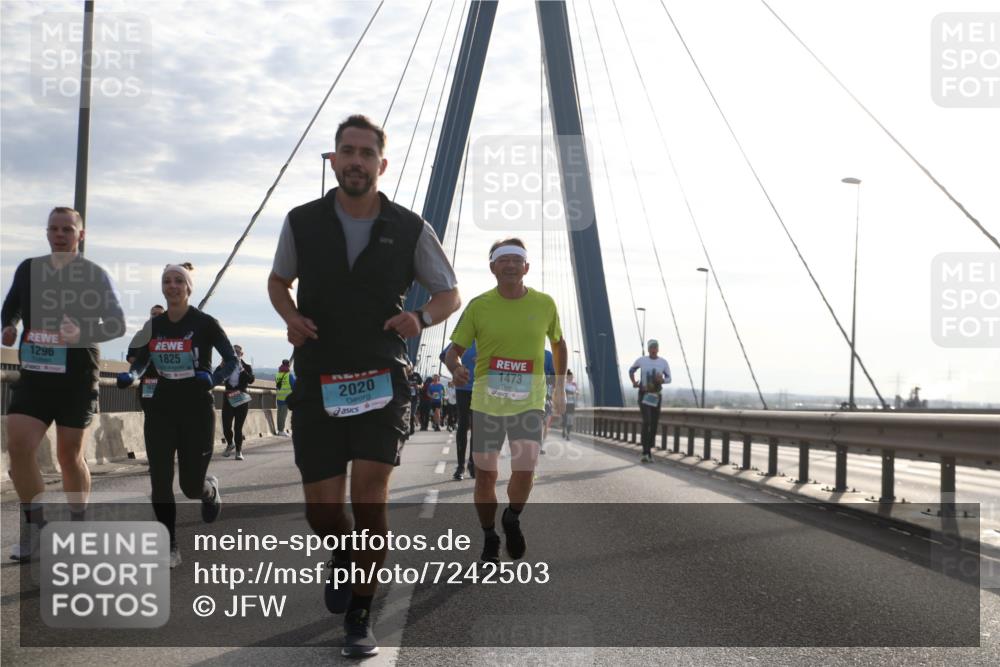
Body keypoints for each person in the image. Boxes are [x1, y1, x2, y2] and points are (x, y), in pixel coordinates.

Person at [266, 114, 460, 657]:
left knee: (370, 499)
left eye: (365, 153)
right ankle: (344, 557)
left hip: (380, 380)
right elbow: (278, 281)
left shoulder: (410, 226)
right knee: (323, 513)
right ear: (334, 159)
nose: (354, 161)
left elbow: (449, 293)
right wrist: (289, 316)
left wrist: (420, 319)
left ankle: (360, 612)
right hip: (318, 379)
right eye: (345, 152)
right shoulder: (301, 221)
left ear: (382, 163)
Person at [1, 207, 126, 561]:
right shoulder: (29, 268)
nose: (59, 234)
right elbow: (10, 307)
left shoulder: (93, 274)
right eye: (54, 228)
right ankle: (35, 528)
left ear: (80, 235)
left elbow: (115, 324)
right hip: (36, 376)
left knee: (68, 457)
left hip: (76, 379)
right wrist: (8, 326)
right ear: (47, 233)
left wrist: (82, 333)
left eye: (67, 229)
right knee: (20, 448)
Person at [445, 237, 565, 565]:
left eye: (517, 260)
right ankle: (489, 536)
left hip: (529, 403)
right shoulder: (479, 306)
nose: (510, 265)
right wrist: (456, 369)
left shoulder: (545, 304)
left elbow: (558, 344)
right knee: (485, 475)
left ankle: (511, 517)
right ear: (493, 267)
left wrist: (559, 389)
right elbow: (451, 351)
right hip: (487, 404)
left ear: (526, 267)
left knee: (525, 470)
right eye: (503, 260)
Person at [116, 263, 235, 567]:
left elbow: (231, 360)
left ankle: (209, 491)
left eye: (178, 281)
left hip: (196, 409)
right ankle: (169, 545)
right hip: (161, 410)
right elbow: (142, 360)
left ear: (188, 287)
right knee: (160, 480)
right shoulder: (155, 325)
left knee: (190, 486)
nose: (172, 286)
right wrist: (132, 374)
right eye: (167, 281)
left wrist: (214, 377)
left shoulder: (206, 323)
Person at [628, 339, 672, 463]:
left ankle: (649, 451)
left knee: (654, 424)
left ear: (658, 349)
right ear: (648, 349)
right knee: (646, 421)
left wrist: (662, 380)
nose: (653, 349)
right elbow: (631, 370)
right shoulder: (641, 360)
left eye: (655, 347)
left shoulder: (663, 362)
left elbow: (669, 378)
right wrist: (634, 382)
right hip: (644, 394)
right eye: (651, 347)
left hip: (656, 395)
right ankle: (644, 452)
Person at [440, 341, 476, 480]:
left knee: (476, 427)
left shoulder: (490, 334)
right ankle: (460, 466)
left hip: (482, 387)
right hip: (463, 388)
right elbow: (444, 355)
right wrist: (457, 368)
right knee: (463, 425)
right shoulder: (465, 335)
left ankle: (472, 464)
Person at [127, 304, 166, 414]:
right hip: (149, 380)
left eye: (160, 314)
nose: (157, 316)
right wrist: (142, 364)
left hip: (168, 382)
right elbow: (130, 356)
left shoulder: (172, 334)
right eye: (154, 314)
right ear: (150, 316)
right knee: (149, 411)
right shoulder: (140, 335)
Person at [218, 344, 255, 460]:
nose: (236, 354)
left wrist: (241, 368)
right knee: (226, 426)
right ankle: (230, 443)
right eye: (233, 352)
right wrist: (221, 365)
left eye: (238, 352)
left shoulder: (246, 366)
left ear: (241, 354)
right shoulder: (226, 365)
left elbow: (251, 380)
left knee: (238, 427)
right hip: (229, 396)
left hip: (241, 397)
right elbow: (216, 376)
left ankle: (239, 451)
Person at [275, 359, 295, 436]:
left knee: (279, 414)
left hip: (279, 397)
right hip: (286, 398)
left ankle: (279, 430)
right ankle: (281, 431)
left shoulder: (277, 375)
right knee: (283, 415)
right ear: (288, 366)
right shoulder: (289, 375)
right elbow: (294, 386)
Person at [562, 369, 578, 439]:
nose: (571, 378)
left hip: (572, 404)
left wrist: (576, 394)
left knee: (570, 420)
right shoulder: (564, 384)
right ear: (567, 377)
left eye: (572, 377)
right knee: (565, 419)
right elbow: (564, 392)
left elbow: (576, 392)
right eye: (569, 377)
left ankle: (568, 434)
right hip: (565, 404)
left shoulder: (574, 385)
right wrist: (572, 393)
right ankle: (563, 430)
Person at [406, 368, 422, 435]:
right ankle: (407, 429)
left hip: (415, 398)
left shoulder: (417, 375)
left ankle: (411, 429)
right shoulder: (404, 374)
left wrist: (418, 386)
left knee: (412, 413)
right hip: (406, 397)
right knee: (406, 414)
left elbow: (421, 384)